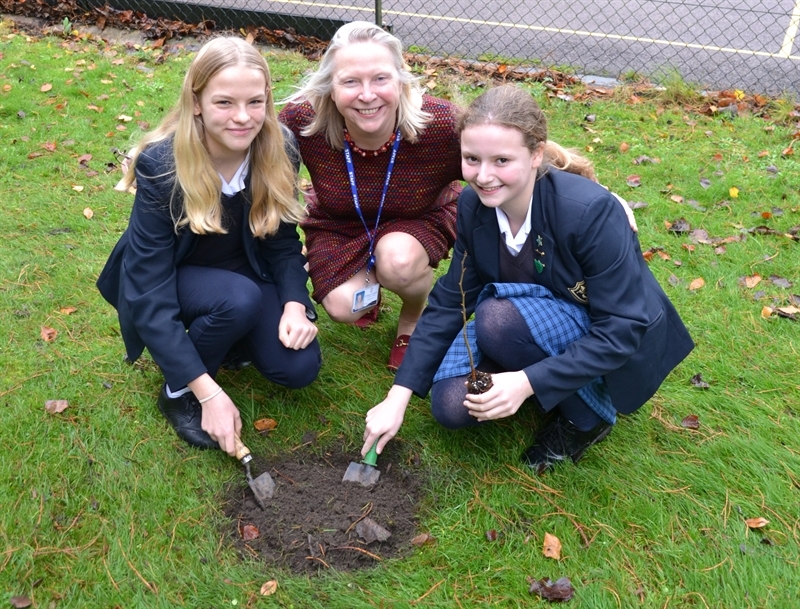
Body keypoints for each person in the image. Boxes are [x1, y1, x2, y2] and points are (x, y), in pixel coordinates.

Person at [361, 85, 694, 473]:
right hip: (523, 319)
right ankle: (535, 374)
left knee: (496, 319)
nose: (483, 176)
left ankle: (587, 419)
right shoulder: (472, 206)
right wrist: (396, 397)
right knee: (451, 404)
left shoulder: (589, 213)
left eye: (502, 160)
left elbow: (622, 329)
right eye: (472, 159)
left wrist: (526, 382)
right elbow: (452, 300)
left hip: (598, 329)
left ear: (536, 154)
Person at [97, 37, 321, 456]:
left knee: (299, 367)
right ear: (196, 102)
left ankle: (234, 340)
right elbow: (148, 290)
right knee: (237, 300)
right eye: (224, 103)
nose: (243, 118)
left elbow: (283, 241)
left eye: (255, 102)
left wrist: (295, 304)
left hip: (243, 271)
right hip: (176, 277)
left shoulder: (280, 146)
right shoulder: (163, 164)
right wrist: (208, 393)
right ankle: (177, 388)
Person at [278, 21, 463, 371]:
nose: (367, 95)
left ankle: (412, 319)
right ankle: (368, 290)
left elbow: (501, 153)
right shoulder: (303, 122)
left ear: (400, 80)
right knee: (342, 307)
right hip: (341, 221)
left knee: (397, 262)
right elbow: (263, 175)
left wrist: (562, 172)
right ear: (330, 87)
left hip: (419, 217)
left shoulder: (439, 125)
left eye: (380, 78)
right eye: (350, 81)